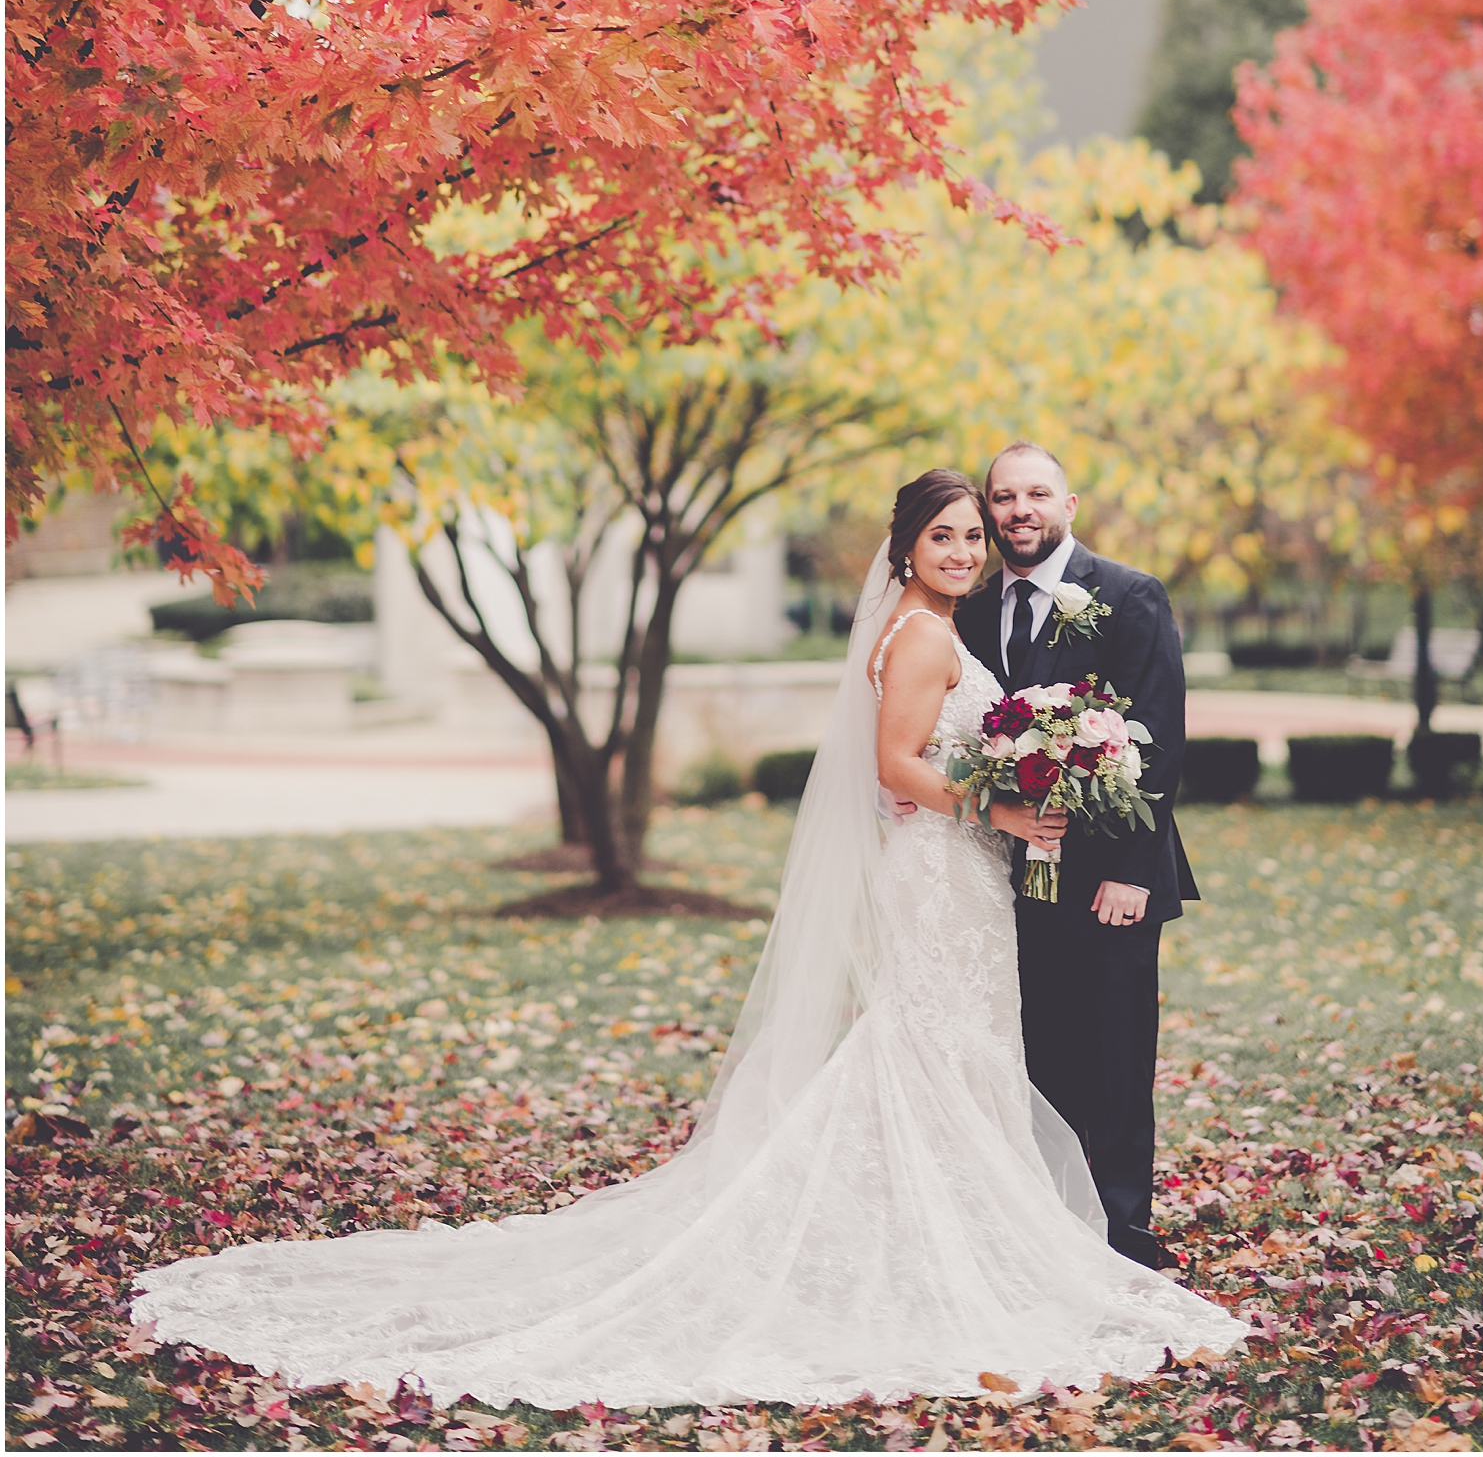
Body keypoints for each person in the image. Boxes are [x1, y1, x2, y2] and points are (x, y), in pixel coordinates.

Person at [133, 471, 1241, 1409]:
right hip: (939, 874)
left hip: (958, 879)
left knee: (949, 1049)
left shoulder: (944, 624)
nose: (962, 545)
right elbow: (894, 768)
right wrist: (998, 808)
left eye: (970, 532)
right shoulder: (919, 636)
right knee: (929, 1048)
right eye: (942, 532)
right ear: (903, 546)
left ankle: (946, 1233)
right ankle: (934, 1247)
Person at [955, 441, 1196, 1273]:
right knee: (1041, 1049)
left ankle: (1124, 1230)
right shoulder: (972, 610)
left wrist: (1132, 869)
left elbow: (1157, 739)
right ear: (989, 510)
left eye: (1036, 494)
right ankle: (1054, 1222)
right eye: (1004, 497)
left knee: (1116, 1054)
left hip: (1110, 878)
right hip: (1008, 870)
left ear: (1069, 504)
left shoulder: (1127, 596)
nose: (1020, 510)